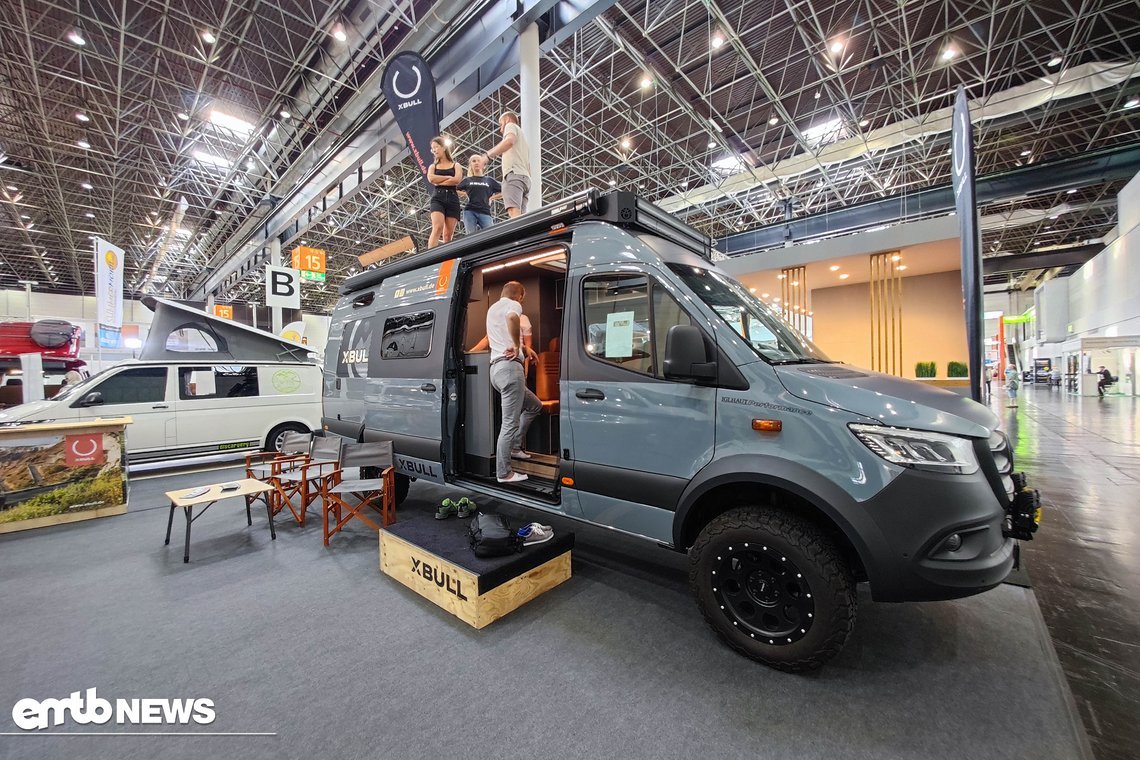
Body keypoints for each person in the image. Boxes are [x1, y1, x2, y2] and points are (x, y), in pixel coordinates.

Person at [486, 281, 540, 484]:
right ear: (520, 295)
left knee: (535, 405)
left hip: (496, 370)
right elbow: (511, 317)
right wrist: (517, 346)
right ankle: (504, 473)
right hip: (510, 369)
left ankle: (516, 448)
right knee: (509, 422)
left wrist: (526, 350)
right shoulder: (514, 306)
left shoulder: (492, 308)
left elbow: (500, 335)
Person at [481, 111, 531, 218]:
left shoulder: (510, 125)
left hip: (514, 174)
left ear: (507, 119)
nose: (500, 129)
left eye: (500, 125)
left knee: (514, 214)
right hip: (525, 178)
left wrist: (488, 155)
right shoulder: (524, 140)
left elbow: (509, 141)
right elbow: (529, 166)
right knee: (522, 217)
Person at [426, 136, 463, 248]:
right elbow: (431, 179)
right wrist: (448, 177)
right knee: (437, 227)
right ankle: (430, 258)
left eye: (436, 147)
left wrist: (440, 180)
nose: (434, 150)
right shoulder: (433, 166)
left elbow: (456, 180)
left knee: (448, 235)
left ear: (443, 147)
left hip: (453, 199)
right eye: (433, 148)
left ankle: (446, 260)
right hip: (438, 197)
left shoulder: (456, 165)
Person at [457, 154, 501, 235]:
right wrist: (464, 193)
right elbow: (454, 190)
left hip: (485, 211)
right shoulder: (467, 180)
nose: (476, 163)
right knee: (470, 236)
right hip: (470, 211)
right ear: (470, 165)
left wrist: (492, 198)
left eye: (478, 161)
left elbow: (504, 191)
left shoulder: (489, 180)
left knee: (491, 235)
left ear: (483, 164)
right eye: (474, 161)